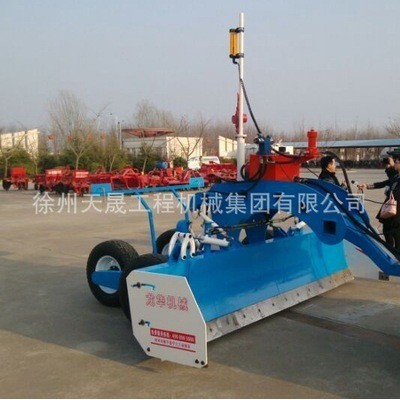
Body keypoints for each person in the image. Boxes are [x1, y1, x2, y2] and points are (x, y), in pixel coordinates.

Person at [358, 158, 400, 250]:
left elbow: (396, 192)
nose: (395, 164)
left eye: (396, 162)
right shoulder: (396, 177)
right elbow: (383, 183)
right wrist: (367, 186)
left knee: (395, 234)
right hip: (391, 208)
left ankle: (396, 252)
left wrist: (389, 192)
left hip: (396, 211)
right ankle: (392, 252)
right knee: (387, 231)